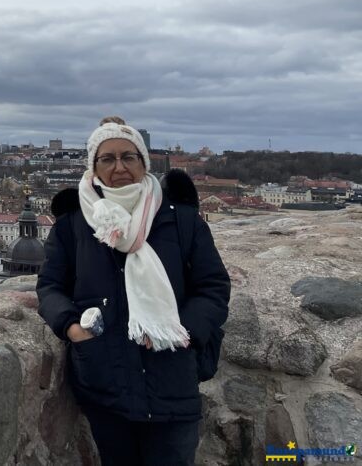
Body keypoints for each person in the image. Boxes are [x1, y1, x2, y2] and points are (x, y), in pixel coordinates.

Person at [36, 117, 230, 466]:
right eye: (107, 158)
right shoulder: (73, 223)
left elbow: (213, 286)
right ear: (93, 167)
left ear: (144, 163)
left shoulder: (180, 220)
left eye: (129, 157)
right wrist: (72, 329)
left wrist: (184, 330)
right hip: (104, 379)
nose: (119, 167)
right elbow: (50, 287)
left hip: (172, 377)